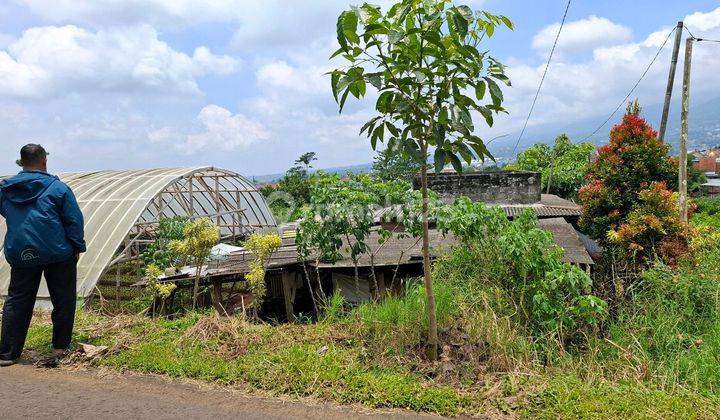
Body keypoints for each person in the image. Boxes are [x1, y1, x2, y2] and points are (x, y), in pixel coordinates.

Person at [0, 144, 85, 367]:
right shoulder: (58, 188)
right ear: (44, 161)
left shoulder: (5, 190)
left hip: (21, 252)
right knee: (63, 299)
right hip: (57, 252)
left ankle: (8, 354)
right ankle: (59, 347)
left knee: (17, 299)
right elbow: (73, 220)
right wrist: (77, 247)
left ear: (21, 163)